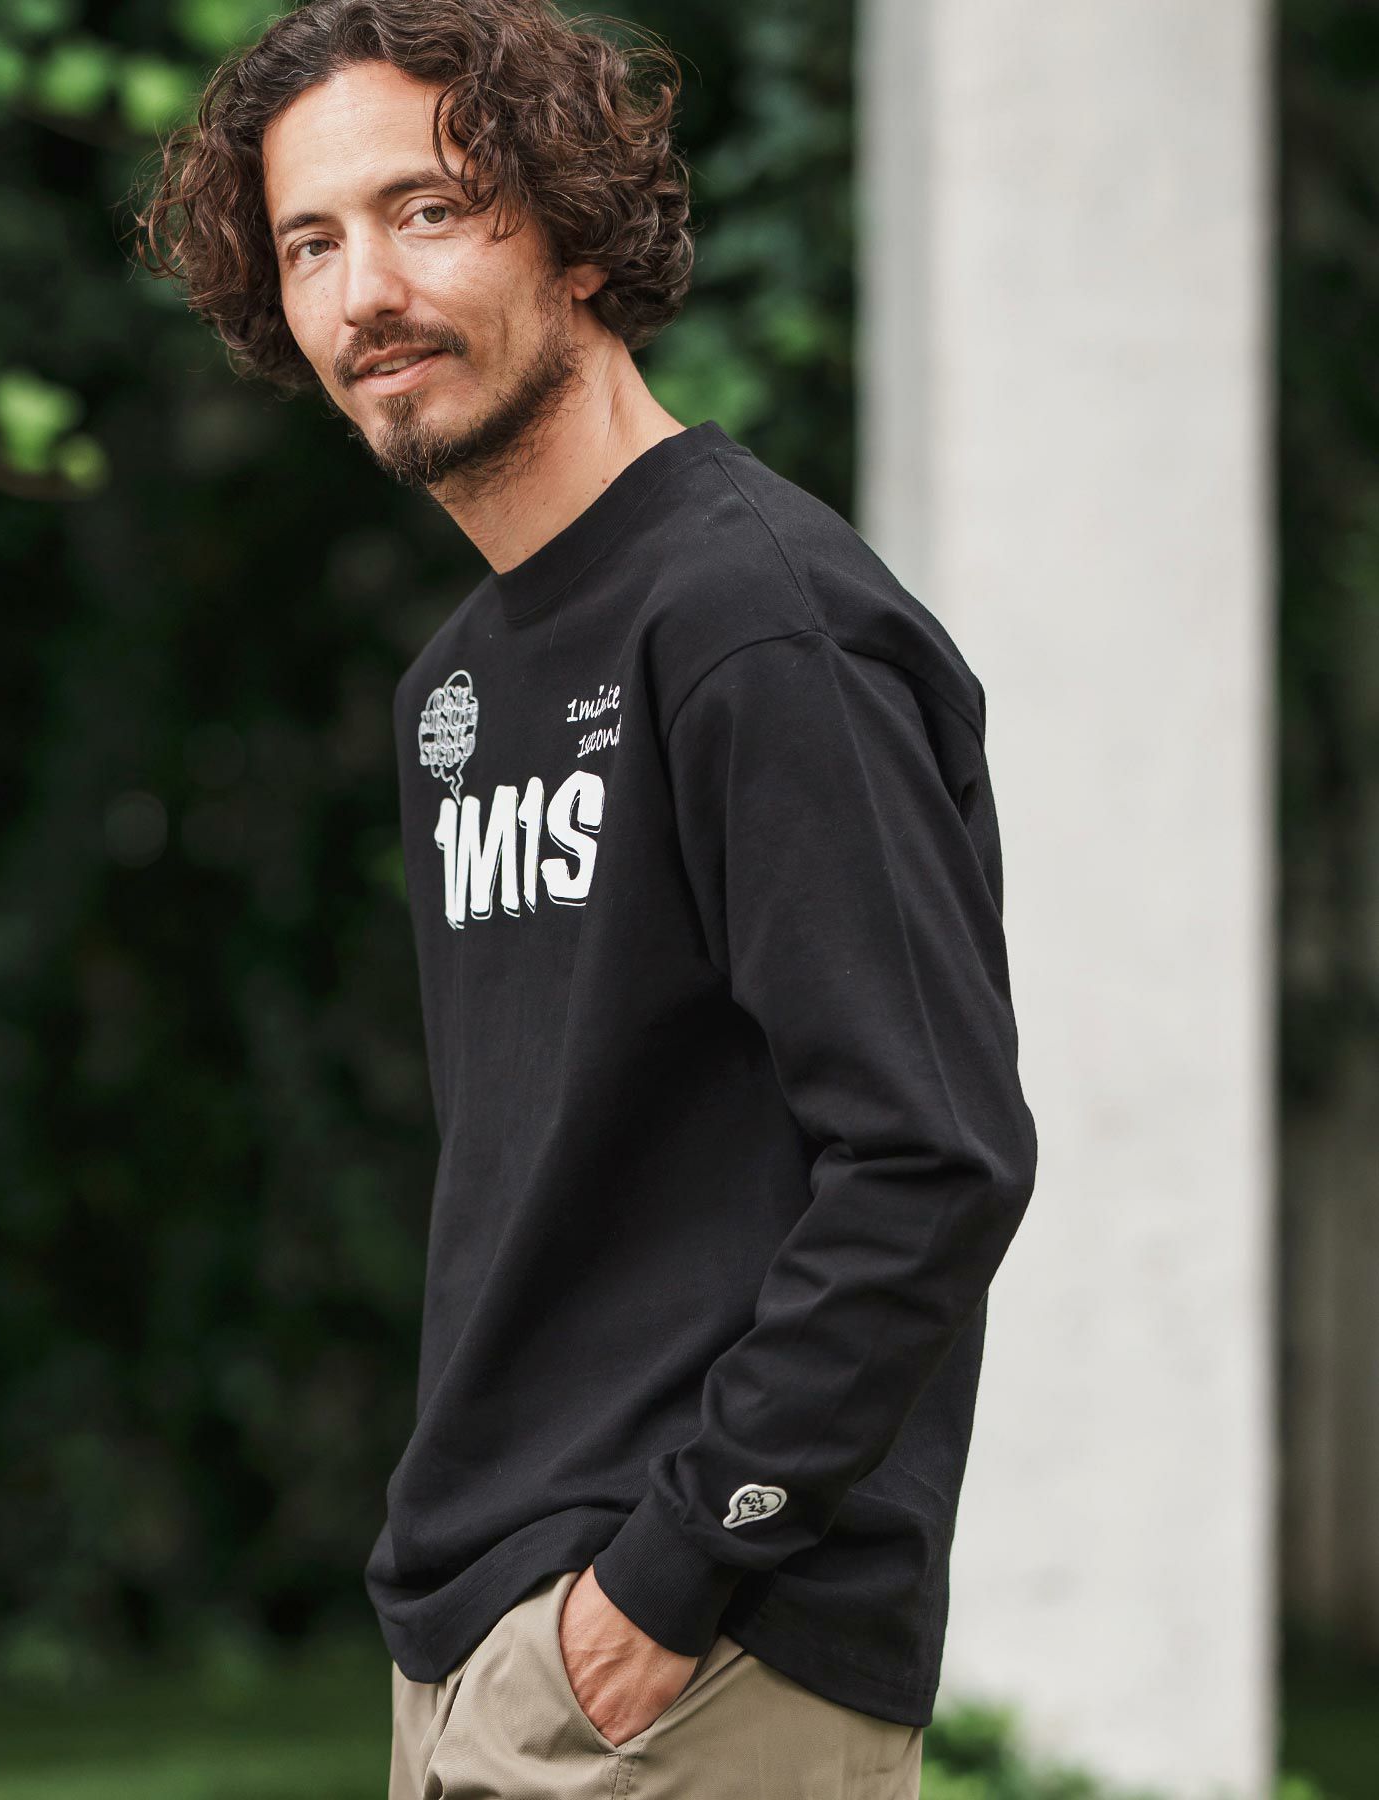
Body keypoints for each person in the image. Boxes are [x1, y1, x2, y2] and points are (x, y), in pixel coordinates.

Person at [134, 2, 1038, 1794]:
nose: (365, 291)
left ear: (575, 229)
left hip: (693, 1652)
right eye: (310, 242)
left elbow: (933, 1155)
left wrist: (680, 1569)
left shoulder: (756, 624)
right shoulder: (459, 686)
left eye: (427, 210)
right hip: (481, 1628)